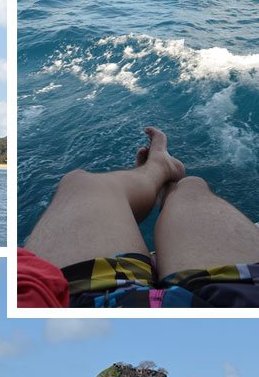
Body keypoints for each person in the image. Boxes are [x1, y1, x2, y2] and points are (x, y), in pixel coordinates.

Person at [19, 127, 259, 308]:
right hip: (242, 301)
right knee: (192, 188)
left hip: (82, 300)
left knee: (79, 182)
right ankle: (164, 181)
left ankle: (161, 174)